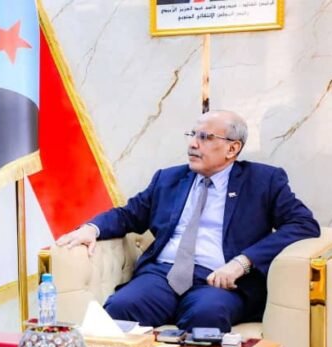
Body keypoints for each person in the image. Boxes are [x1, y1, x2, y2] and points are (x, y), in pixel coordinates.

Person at [56, 110, 319, 332]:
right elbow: (129, 214)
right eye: (192, 135)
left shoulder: (263, 181)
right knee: (121, 307)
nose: (193, 144)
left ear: (232, 148)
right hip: (162, 274)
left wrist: (242, 263)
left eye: (205, 137)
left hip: (219, 281)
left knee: (207, 315)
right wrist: (91, 228)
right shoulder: (168, 179)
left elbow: (303, 224)